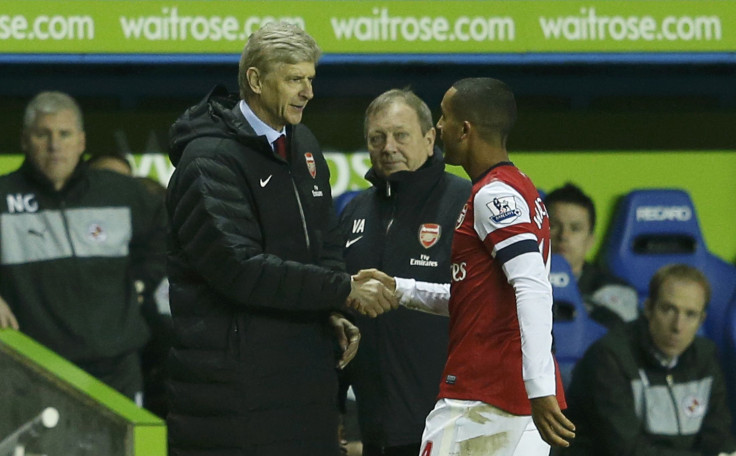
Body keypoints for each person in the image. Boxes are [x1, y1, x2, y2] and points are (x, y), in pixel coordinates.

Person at [165, 22, 395, 456]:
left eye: (311, 79)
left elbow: (326, 241)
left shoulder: (304, 144)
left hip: (301, 376)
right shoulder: (208, 160)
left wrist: (330, 309)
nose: (308, 91)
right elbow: (239, 269)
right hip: (231, 390)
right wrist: (342, 289)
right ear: (255, 80)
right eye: (294, 79)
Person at [354, 77, 574, 455]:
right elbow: (477, 298)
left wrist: (539, 388)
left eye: (443, 118)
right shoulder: (517, 186)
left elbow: (534, 287)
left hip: (485, 397)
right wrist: (401, 288)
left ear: (465, 129)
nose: (438, 128)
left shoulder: (493, 196)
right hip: (505, 397)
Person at [0, 91, 167, 402]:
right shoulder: (3, 198)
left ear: (81, 141)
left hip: (116, 372)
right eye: (42, 134)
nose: (54, 145)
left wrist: (143, 281)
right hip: (31, 373)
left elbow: (169, 232)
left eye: (64, 134)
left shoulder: (119, 192)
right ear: (24, 140)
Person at [339, 88, 471, 456]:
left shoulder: (466, 204)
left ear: (430, 140)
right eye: (376, 138)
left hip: (449, 425)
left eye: (401, 135)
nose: (388, 147)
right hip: (376, 426)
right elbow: (337, 313)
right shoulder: (354, 212)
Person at [560, 263, 736, 456]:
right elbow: (626, 450)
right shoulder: (610, 356)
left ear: (702, 320)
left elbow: (718, 435)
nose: (678, 326)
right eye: (669, 309)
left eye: (690, 314)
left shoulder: (705, 356)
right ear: (649, 308)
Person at [544, 183, 638, 328]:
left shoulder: (614, 290)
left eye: (575, 228)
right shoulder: (512, 284)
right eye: (554, 225)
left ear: (590, 241)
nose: (563, 236)